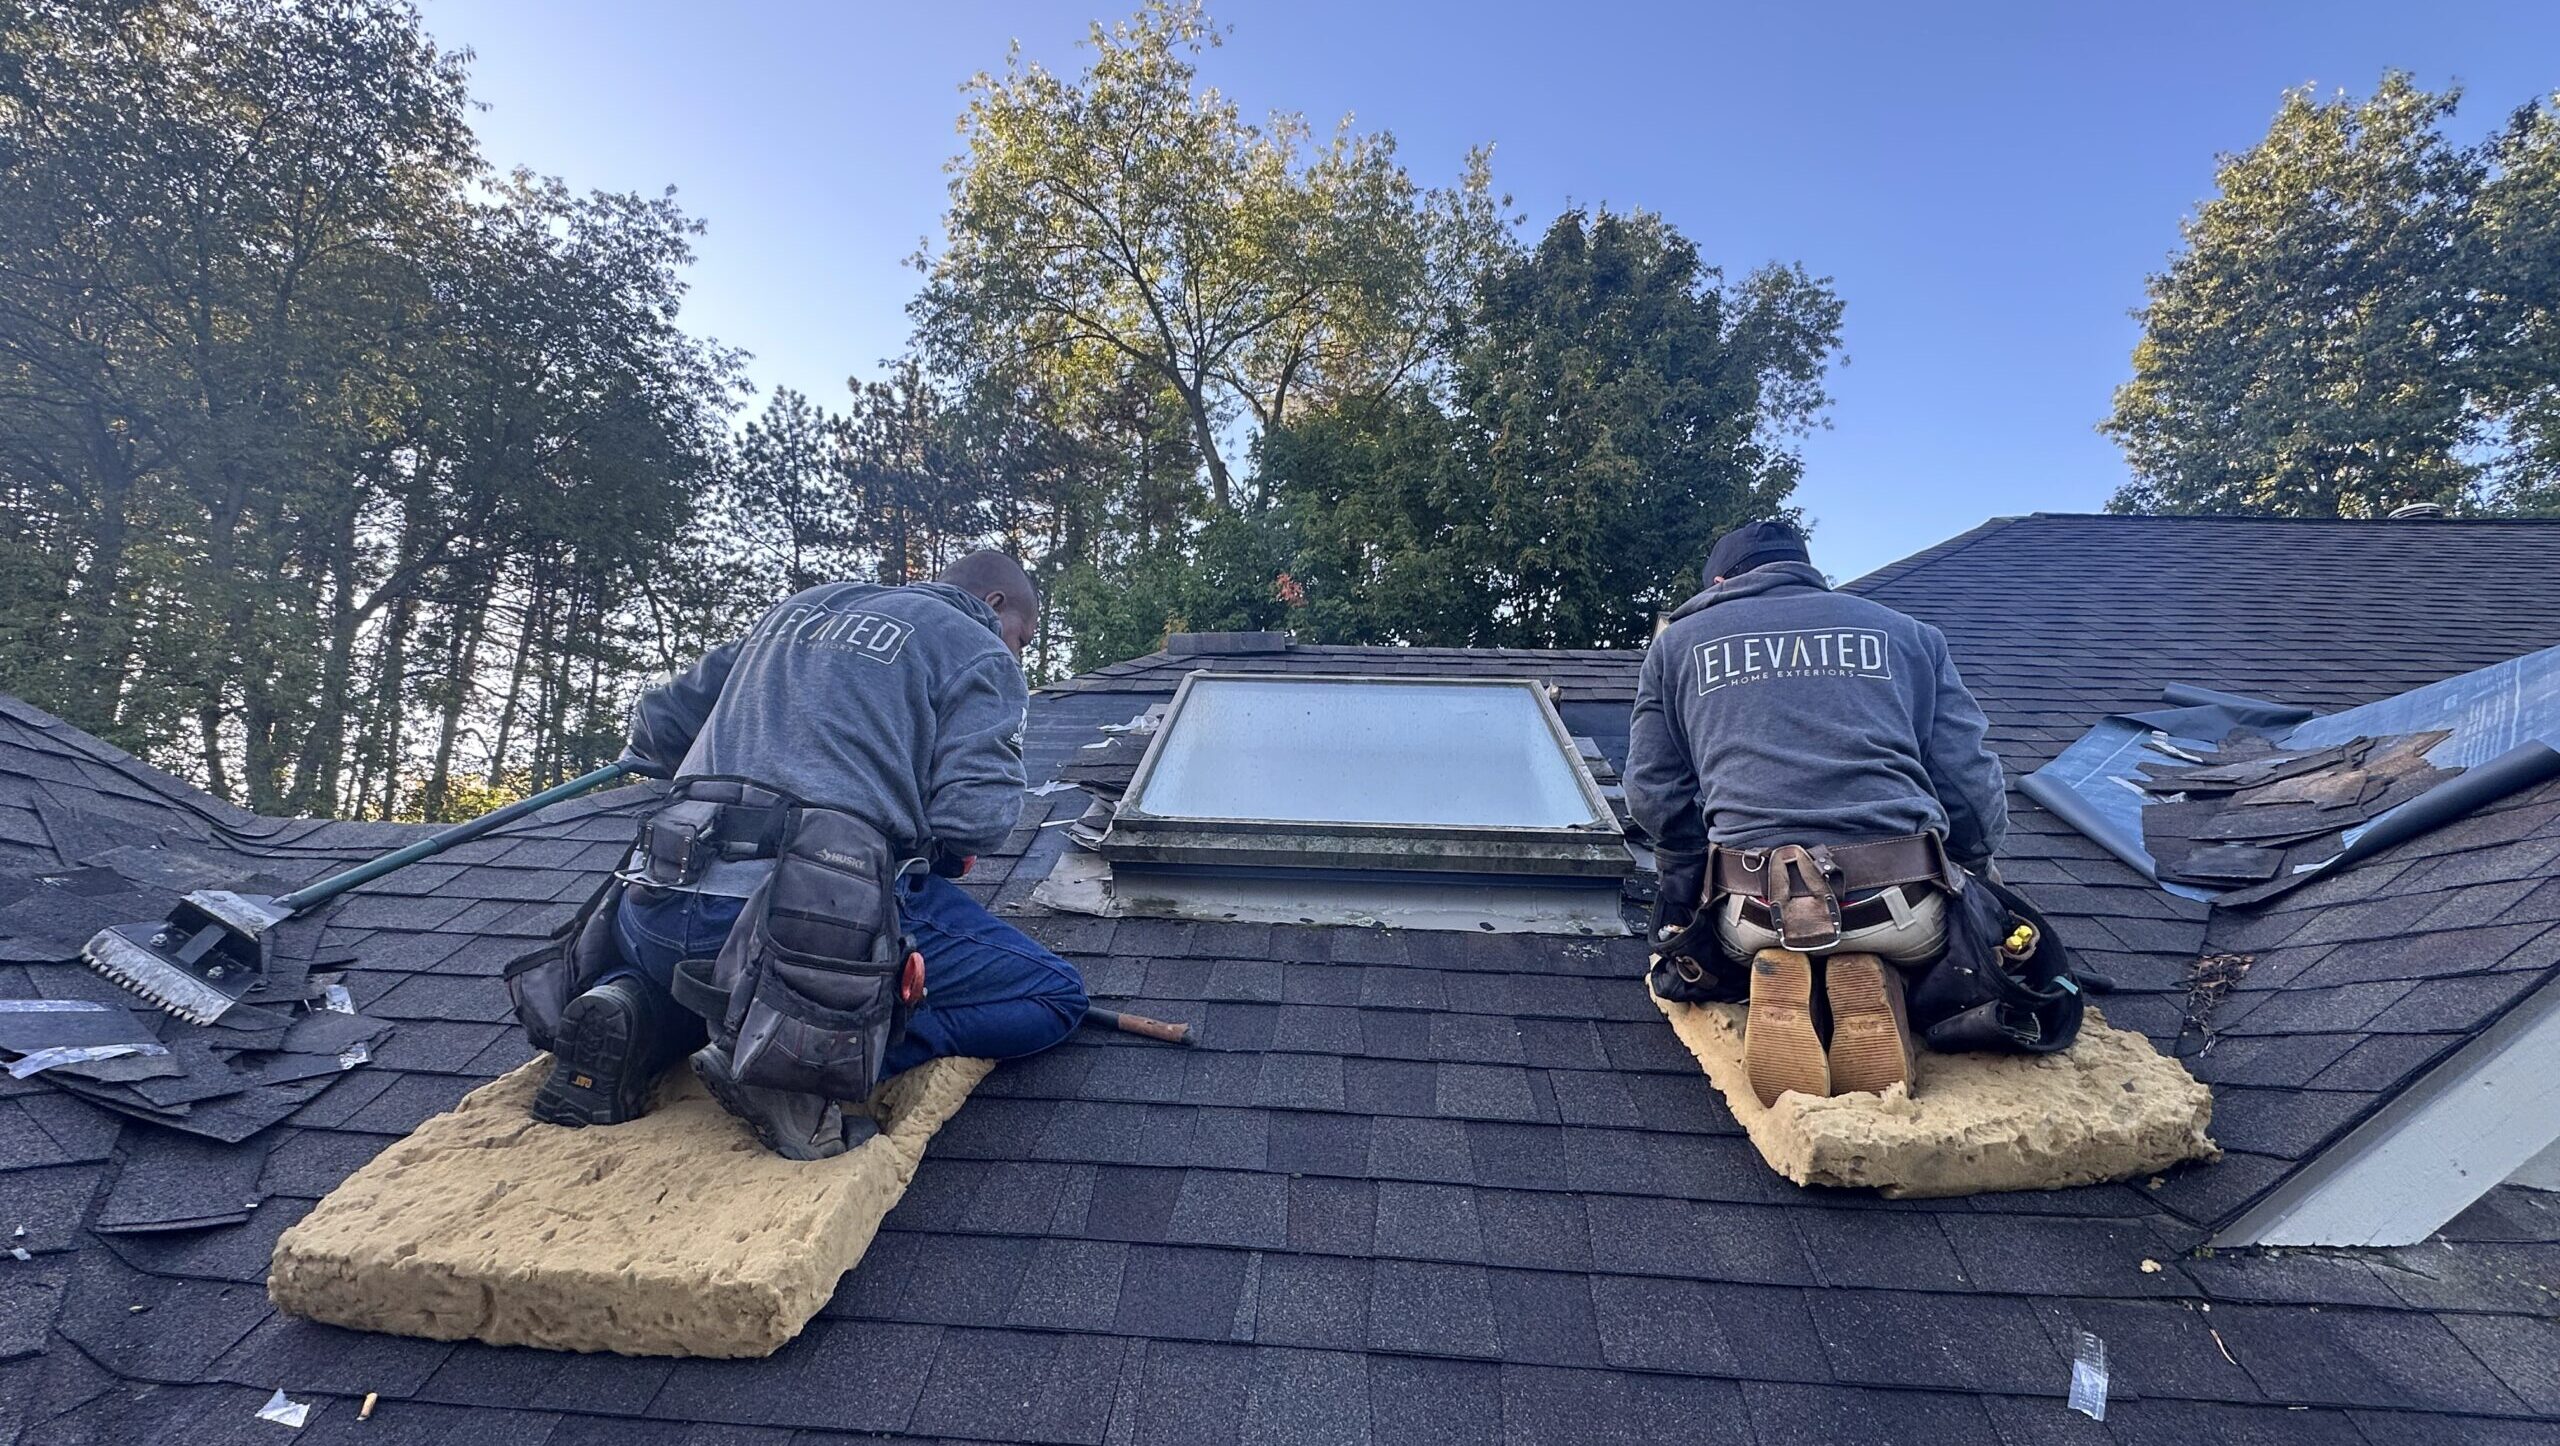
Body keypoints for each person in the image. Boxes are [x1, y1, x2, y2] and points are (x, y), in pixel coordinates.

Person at [529, 550, 1088, 1158]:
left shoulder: (799, 609)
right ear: (993, 604)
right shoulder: (976, 649)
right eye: (1023, 639)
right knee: (1054, 996)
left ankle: (632, 1004)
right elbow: (977, 821)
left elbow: (659, 725)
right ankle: (794, 1056)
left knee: (688, 958)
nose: (1017, 654)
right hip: (805, 934)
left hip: (653, 904)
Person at [1627, 519, 2006, 1106]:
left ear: (1722, 583)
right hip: (1902, 903)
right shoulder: (1909, 635)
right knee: (1950, 943)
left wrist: (1683, 889)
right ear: (1807, 571)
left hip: (1753, 910)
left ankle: (1789, 974)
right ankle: (1876, 973)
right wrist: (1975, 873)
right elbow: (1970, 783)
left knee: (1742, 938)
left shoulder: (1677, 646)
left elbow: (1653, 794)